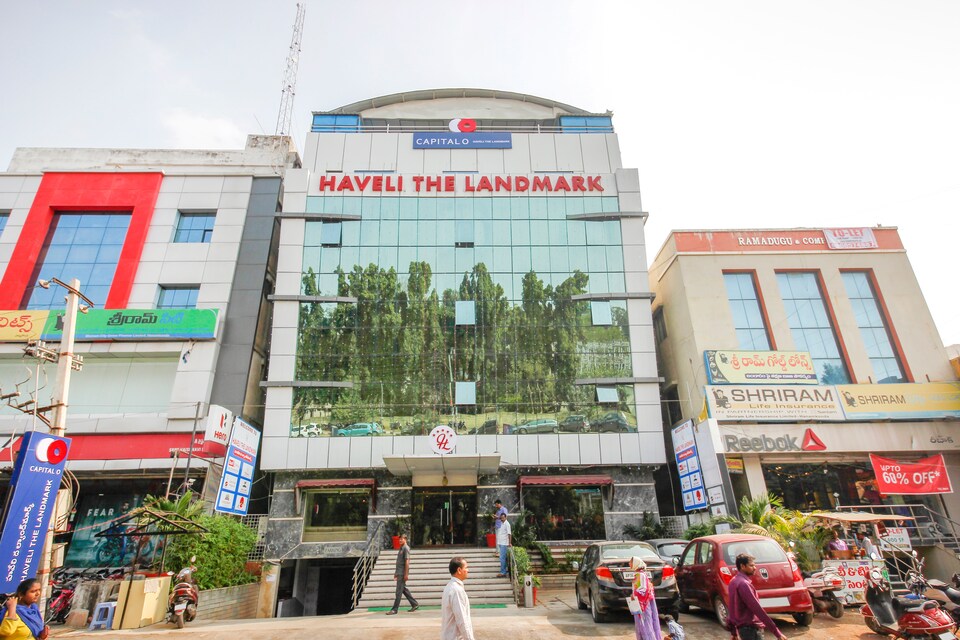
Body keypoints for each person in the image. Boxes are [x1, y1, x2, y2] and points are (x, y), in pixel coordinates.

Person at [727, 554, 786, 640]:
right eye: (751, 565)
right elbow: (757, 609)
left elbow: (731, 608)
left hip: (743, 630)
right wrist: (777, 632)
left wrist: (734, 632)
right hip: (752, 630)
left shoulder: (733, 581)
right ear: (742, 566)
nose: (755, 568)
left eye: (754, 565)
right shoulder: (744, 584)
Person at [441, 557, 475, 640]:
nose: (468, 570)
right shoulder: (456, 590)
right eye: (466, 567)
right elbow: (462, 619)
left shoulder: (450, 587)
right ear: (459, 570)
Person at [386, 533, 419, 615]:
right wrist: (396, 573)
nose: (400, 540)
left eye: (402, 539)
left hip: (402, 573)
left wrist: (406, 574)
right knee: (403, 589)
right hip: (399, 572)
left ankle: (394, 609)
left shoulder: (406, 548)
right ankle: (414, 604)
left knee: (398, 592)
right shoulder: (401, 548)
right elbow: (399, 562)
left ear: (405, 539)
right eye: (399, 539)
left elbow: (407, 562)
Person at [628, 556, 660, 640]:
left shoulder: (639, 575)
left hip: (642, 603)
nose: (629, 564)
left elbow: (642, 590)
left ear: (636, 564)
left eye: (631, 562)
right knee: (646, 622)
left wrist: (634, 595)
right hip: (643, 602)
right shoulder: (641, 574)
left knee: (645, 623)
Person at [496, 512, 512, 577]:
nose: (502, 519)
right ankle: (504, 571)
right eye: (501, 518)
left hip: (504, 544)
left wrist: (509, 543)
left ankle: (503, 572)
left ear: (506, 517)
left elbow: (509, 534)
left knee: (502, 558)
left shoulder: (507, 524)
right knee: (503, 558)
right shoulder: (502, 523)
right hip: (501, 543)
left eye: (503, 518)